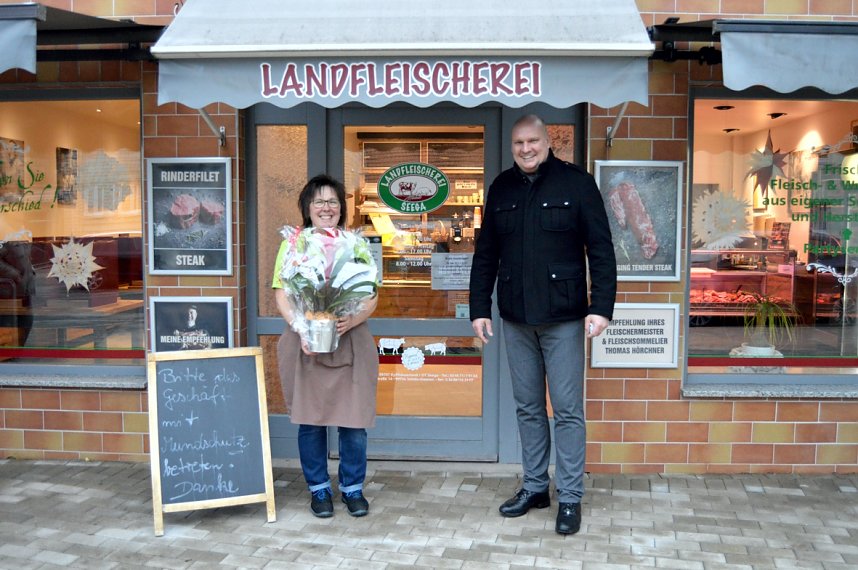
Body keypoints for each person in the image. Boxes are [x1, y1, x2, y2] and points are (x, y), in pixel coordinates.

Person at [469, 114, 617, 535]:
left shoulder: (576, 183)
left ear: (548, 142)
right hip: (515, 318)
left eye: (533, 141)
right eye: (519, 143)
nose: (526, 149)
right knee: (528, 408)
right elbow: (486, 255)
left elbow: (601, 249)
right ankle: (536, 487)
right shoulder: (501, 188)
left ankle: (569, 497)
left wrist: (601, 306)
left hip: (564, 319)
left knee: (568, 412)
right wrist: (480, 306)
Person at [272, 174, 379, 518]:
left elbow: (372, 293)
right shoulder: (292, 244)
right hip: (307, 342)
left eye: (332, 201)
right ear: (307, 207)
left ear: (341, 208)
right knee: (311, 420)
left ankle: (352, 489)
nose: (326, 207)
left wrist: (355, 319)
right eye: (318, 201)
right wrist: (301, 326)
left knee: (354, 421)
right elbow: (282, 293)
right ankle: (318, 489)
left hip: (350, 340)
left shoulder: (355, 243)